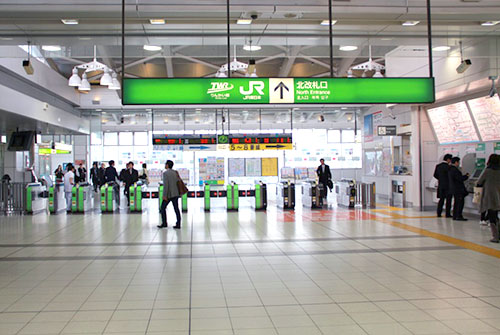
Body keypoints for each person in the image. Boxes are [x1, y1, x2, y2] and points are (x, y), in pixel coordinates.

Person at [476, 154, 500, 243]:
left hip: (490, 196)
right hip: (498, 195)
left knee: (492, 216)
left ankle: (495, 236)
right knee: (496, 215)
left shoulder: (488, 171)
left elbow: (479, 182)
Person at [158, 160, 182, 229]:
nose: (165, 165)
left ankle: (164, 223)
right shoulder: (175, 172)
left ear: (167, 165)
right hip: (175, 193)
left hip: (169, 194)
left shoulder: (165, 173)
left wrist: (164, 195)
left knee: (162, 208)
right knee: (176, 209)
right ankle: (178, 224)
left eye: (165, 164)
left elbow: (166, 185)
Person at [448, 157, 469, 221]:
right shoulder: (455, 170)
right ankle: (458, 216)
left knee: (456, 203)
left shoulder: (450, 169)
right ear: (456, 162)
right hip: (458, 189)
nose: (459, 164)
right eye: (458, 162)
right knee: (459, 203)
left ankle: (455, 215)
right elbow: (459, 179)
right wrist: (466, 176)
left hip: (454, 189)